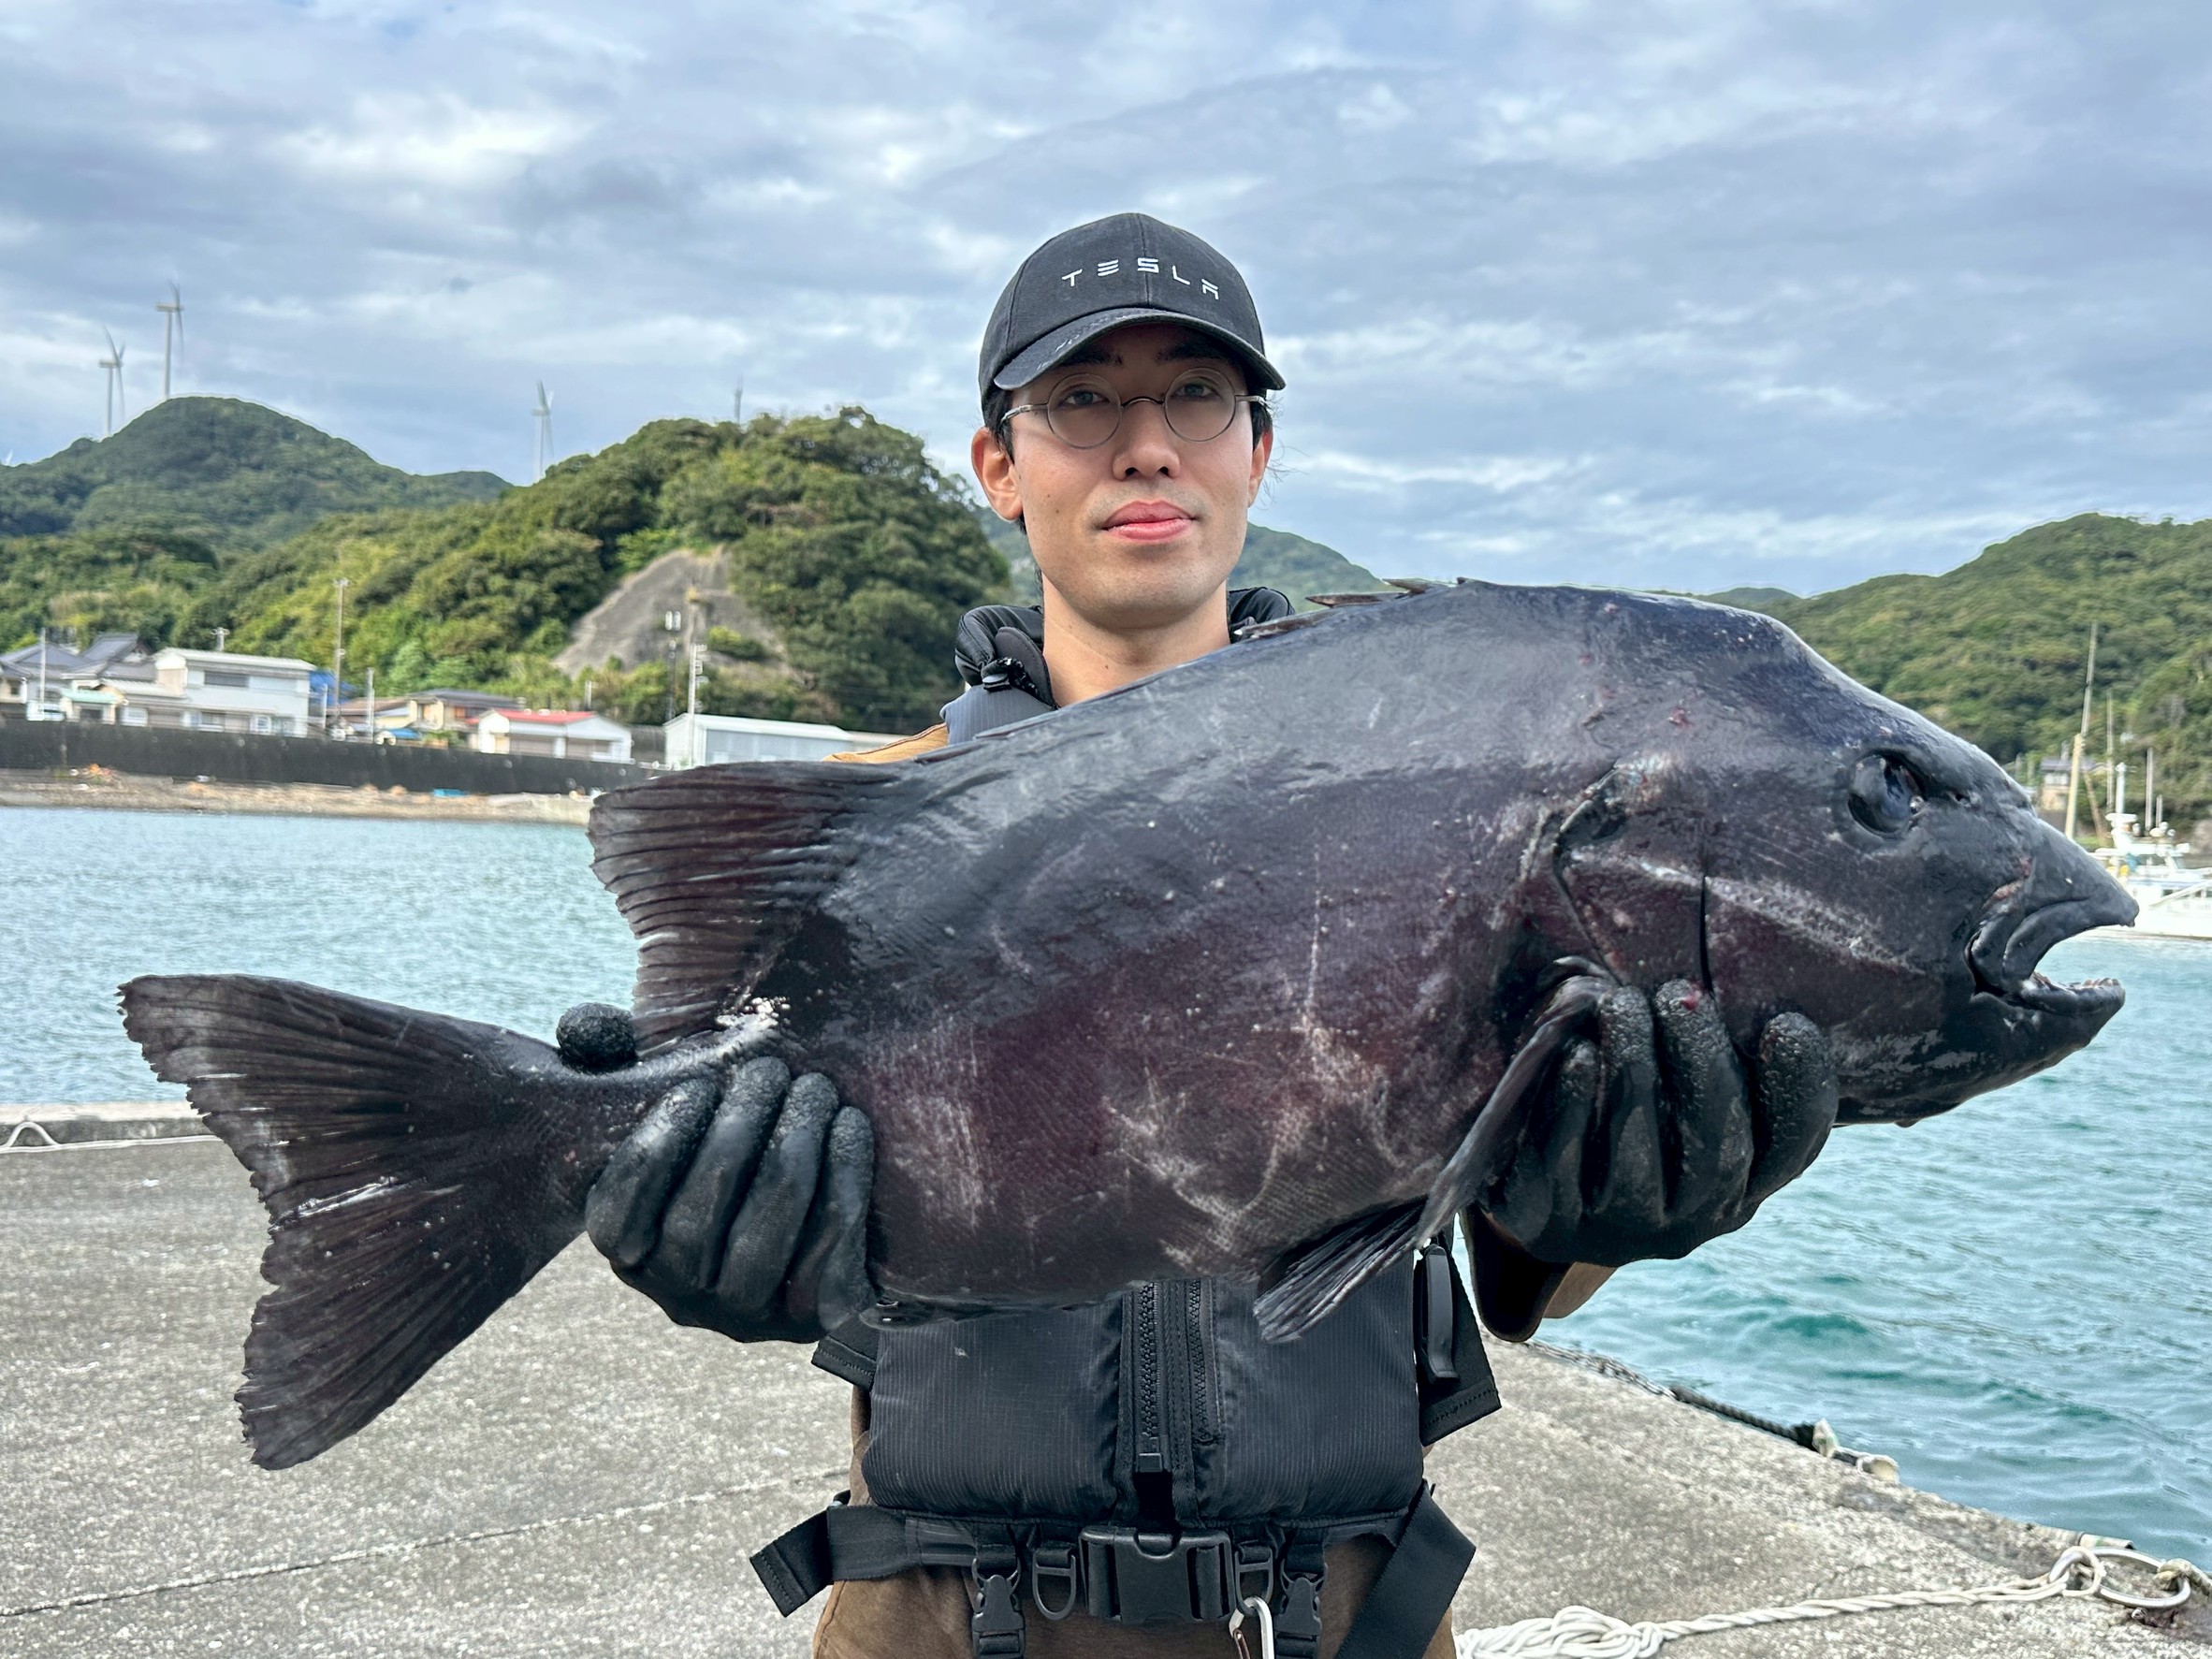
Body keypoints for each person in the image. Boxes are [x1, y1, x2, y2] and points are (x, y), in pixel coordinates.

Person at [575, 214, 1840, 1659]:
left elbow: (1518, 1247)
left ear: (1258, 450)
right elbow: (760, 1157)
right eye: (1082, 400)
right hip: (938, 1620)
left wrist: (1616, 1201)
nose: (1147, 446)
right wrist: (702, 1225)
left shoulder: (1430, 809)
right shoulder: (874, 819)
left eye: (1196, 395)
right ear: (1000, 465)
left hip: (1344, 1617)